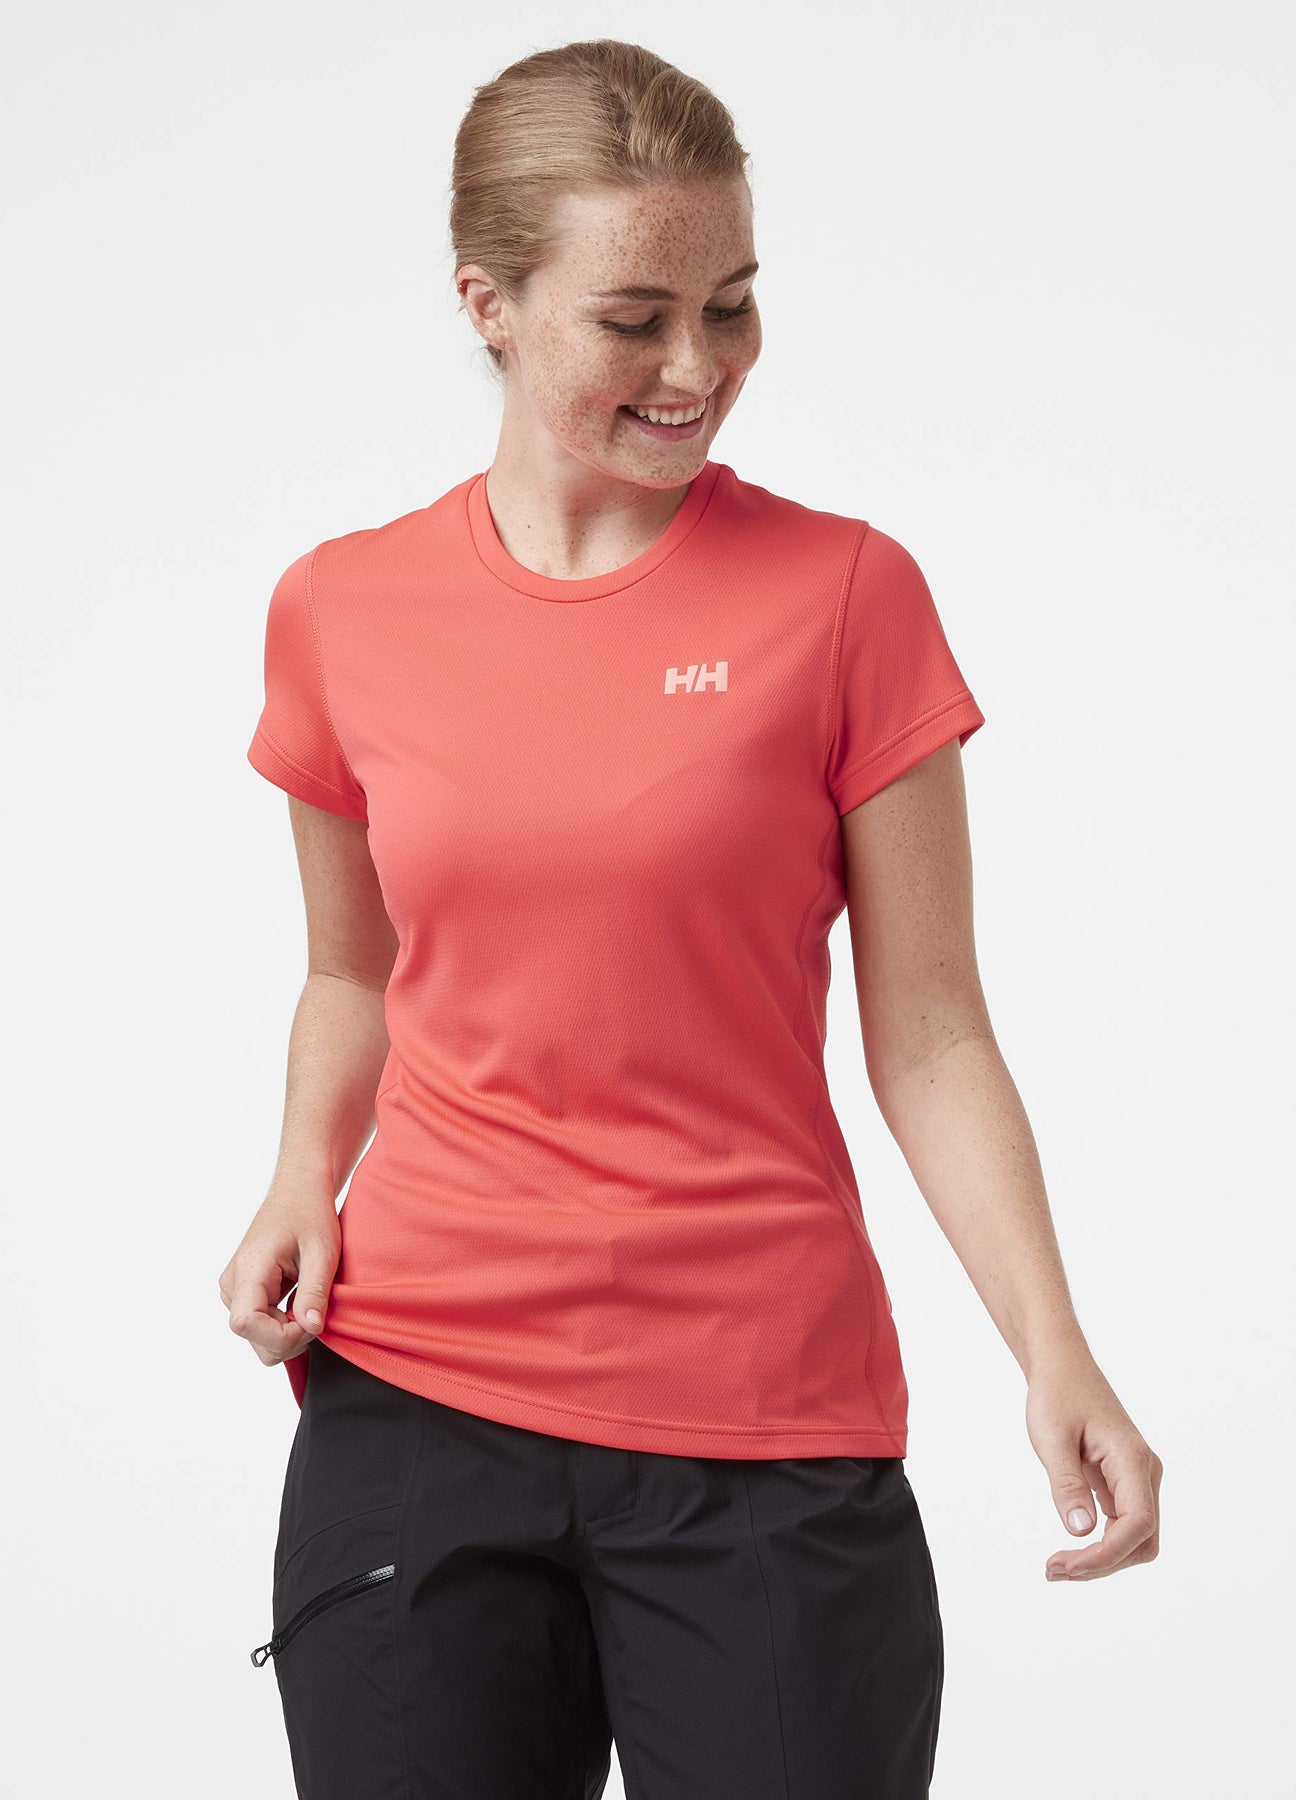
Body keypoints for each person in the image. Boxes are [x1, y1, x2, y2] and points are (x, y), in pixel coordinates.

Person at [221, 36, 1162, 1800]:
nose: (699, 367)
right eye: (634, 318)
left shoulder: (848, 597)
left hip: (767, 1427)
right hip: (418, 1403)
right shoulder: (342, 610)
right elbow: (354, 969)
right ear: (489, 305)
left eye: (731, 305)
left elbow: (932, 1031)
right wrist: (298, 1177)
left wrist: (1056, 1352)